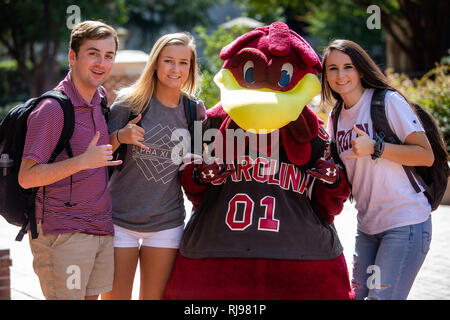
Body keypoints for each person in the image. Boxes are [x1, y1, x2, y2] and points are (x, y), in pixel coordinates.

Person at [321, 39, 434, 300]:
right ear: (325, 75)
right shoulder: (335, 117)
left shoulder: (387, 102)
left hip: (405, 223)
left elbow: (425, 155)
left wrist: (377, 147)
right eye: (332, 69)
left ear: (360, 69)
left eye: (348, 66)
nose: (340, 75)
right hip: (367, 228)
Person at [18, 20, 121, 300]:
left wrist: (120, 136)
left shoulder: (99, 98)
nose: (101, 62)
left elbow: (94, 155)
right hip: (63, 234)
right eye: (93, 53)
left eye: (108, 55)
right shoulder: (53, 109)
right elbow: (27, 176)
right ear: (72, 56)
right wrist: (82, 162)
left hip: (100, 228)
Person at [101, 32, 206, 300]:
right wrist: (120, 136)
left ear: (191, 68)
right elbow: (99, 154)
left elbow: (195, 165)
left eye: (184, 63)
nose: (176, 69)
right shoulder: (129, 103)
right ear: (156, 64)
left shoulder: (194, 110)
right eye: (168, 61)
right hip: (118, 220)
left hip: (166, 222)